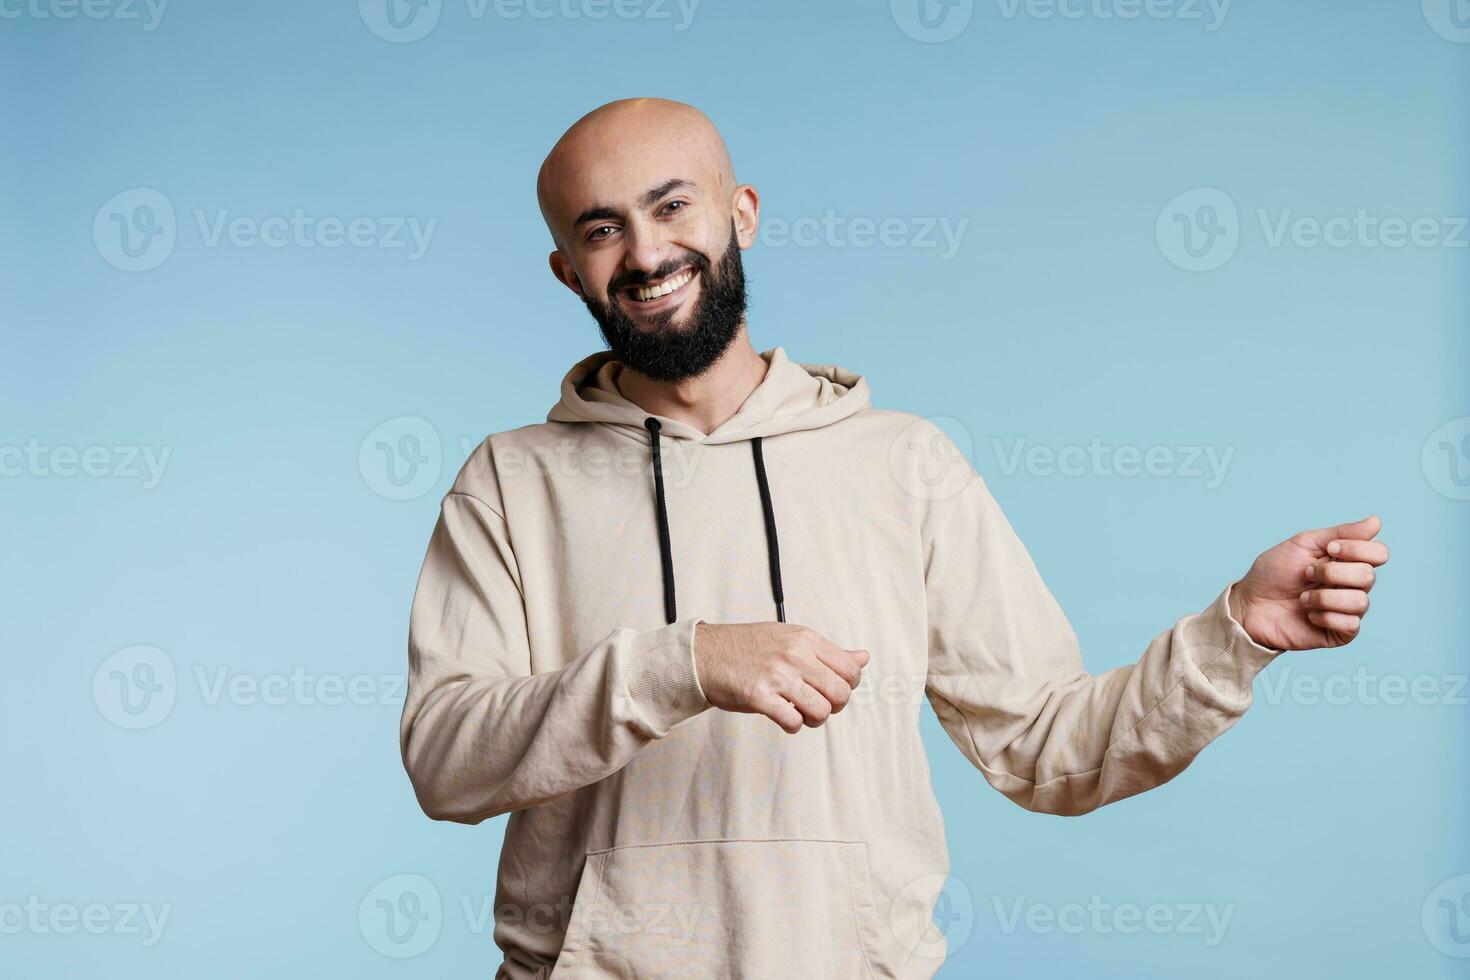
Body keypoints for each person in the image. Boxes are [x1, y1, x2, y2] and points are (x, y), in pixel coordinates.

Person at [399, 98, 1389, 979]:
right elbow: (446, 760)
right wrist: (682, 661)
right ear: (566, 268)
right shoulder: (510, 478)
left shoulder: (903, 463)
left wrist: (1236, 633)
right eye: (603, 229)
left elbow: (1045, 746)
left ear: (741, 211)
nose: (647, 254)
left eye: (672, 207)